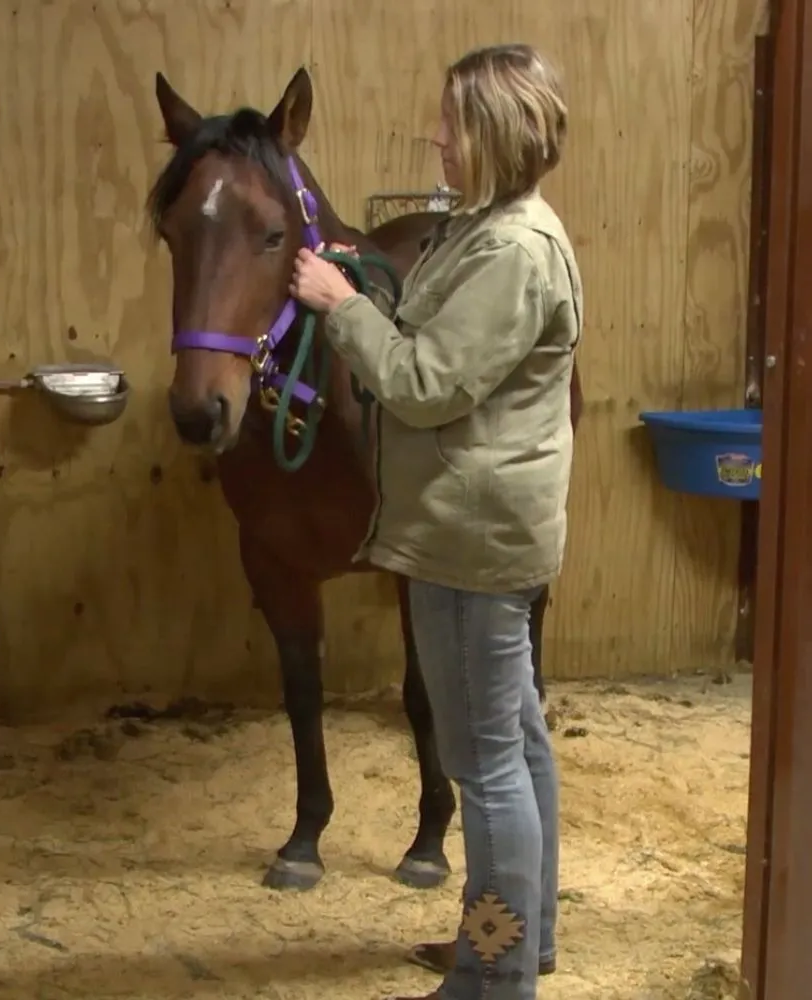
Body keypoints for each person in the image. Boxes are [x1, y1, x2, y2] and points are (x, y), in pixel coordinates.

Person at [289, 43, 581, 1000]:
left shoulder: (511, 249)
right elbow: (429, 334)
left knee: (483, 763)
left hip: (473, 537)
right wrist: (364, 282)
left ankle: (494, 979)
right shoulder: (486, 229)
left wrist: (338, 309)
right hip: (477, 522)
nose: (439, 139)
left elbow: (423, 383)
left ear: (493, 135)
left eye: (453, 125)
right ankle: (521, 944)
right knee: (517, 741)